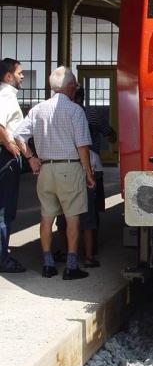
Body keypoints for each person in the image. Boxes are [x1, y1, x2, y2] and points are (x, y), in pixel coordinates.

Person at [13, 66, 95, 279]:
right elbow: (82, 146)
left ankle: (48, 264)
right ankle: (71, 266)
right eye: (75, 85)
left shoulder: (38, 109)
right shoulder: (75, 111)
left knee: (47, 217)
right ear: (70, 86)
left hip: (46, 169)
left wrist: (31, 158)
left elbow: (18, 135)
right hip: (69, 167)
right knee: (73, 217)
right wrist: (88, 172)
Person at [56, 86, 116, 266]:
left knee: (64, 212)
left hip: (65, 166)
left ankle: (66, 250)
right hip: (92, 165)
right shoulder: (92, 113)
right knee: (91, 211)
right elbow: (110, 135)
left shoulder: (59, 113)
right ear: (83, 97)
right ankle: (91, 252)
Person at [0, 59, 38, 273]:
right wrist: (9, 144)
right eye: (19, 73)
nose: (22, 76)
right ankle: (2, 259)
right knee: (5, 209)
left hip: (7, 154)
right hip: (5, 157)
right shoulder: (5, 96)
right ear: (8, 76)